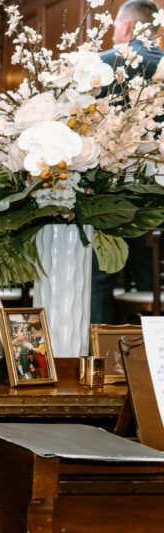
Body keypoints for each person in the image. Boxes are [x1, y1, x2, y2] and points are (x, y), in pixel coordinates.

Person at [91, 0, 164, 324]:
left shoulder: (106, 62)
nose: (112, 36)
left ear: (128, 27)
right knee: (152, 285)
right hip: (158, 190)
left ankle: (98, 360)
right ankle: (152, 363)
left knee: (102, 278)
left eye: (115, 28)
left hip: (112, 187)